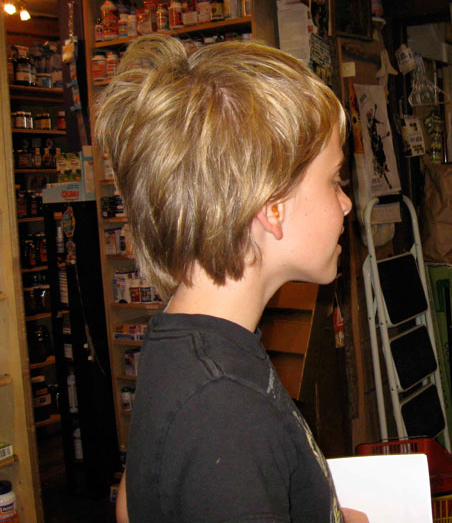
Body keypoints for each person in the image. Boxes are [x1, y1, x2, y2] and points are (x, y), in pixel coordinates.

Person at [96, 34, 363, 522]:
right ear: (273, 208)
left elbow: (130, 504)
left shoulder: (185, 342)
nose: (346, 203)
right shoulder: (224, 409)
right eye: (334, 180)